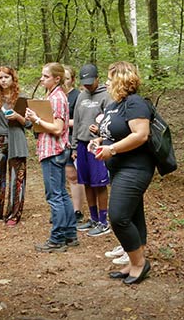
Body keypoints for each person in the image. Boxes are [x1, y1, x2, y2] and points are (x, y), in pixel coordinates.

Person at [91, 61, 154, 284]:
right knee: (134, 216)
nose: (106, 83)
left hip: (135, 168)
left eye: (109, 79)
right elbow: (113, 133)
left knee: (118, 217)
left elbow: (141, 135)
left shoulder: (135, 103)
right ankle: (133, 261)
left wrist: (112, 149)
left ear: (120, 80)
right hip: (119, 168)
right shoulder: (114, 105)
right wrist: (99, 141)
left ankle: (139, 264)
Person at [25, 62, 78, 253]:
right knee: (62, 193)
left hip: (53, 151)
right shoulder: (53, 95)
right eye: (42, 75)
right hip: (55, 149)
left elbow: (57, 128)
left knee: (54, 196)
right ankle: (70, 234)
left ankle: (57, 239)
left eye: (45, 76)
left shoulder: (56, 98)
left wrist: (36, 120)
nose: (41, 79)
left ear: (56, 78)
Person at [0, 66, 29, 226]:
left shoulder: (21, 99)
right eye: (1, 78)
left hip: (16, 140)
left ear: (12, 79)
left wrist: (17, 116)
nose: (3, 80)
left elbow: (29, 123)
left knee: (17, 179)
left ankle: (13, 214)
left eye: (6, 77)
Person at [72, 63, 112, 237]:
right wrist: (74, 145)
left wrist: (101, 130)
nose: (88, 85)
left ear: (98, 78)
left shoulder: (106, 95)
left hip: (97, 145)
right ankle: (94, 218)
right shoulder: (81, 96)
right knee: (86, 182)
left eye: (90, 81)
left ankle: (104, 221)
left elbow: (111, 121)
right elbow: (77, 121)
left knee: (99, 183)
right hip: (81, 144)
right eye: (85, 82)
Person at [63, 65, 86, 222]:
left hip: (74, 138)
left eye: (67, 78)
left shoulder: (78, 96)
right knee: (62, 176)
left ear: (72, 79)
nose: (64, 81)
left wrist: (61, 123)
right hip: (58, 139)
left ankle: (77, 210)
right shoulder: (54, 95)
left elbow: (81, 121)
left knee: (74, 176)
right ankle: (64, 209)